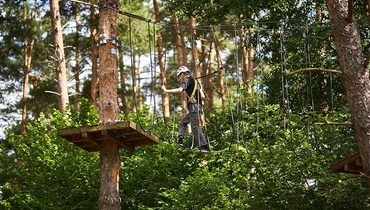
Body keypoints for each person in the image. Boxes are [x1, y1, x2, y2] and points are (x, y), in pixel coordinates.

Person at [161, 66, 211, 153]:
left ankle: (204, 146)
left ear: (183, 74)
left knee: (195, 127)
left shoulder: (186, 80)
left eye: (180, 75)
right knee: (183, 122)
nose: (180, 78)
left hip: (194, 107)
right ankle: (180, 140)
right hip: (197, 107)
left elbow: (180, 90)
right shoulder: (195, 81)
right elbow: (202, 97)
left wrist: (166, 91)